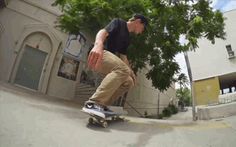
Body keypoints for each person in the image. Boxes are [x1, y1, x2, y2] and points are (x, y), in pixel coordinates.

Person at [82, 14, 148, 118]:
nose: (142, 31)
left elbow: (123, 57)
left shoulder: (127, 38)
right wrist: (98, 44)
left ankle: (102, 104)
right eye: (143, 28)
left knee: (129, 82)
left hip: (109, 61)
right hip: (99, 54)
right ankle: (94, 103)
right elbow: (103, 32)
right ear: (138, 22)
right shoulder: (119, 23)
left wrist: (132, 73)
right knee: (123, 69)